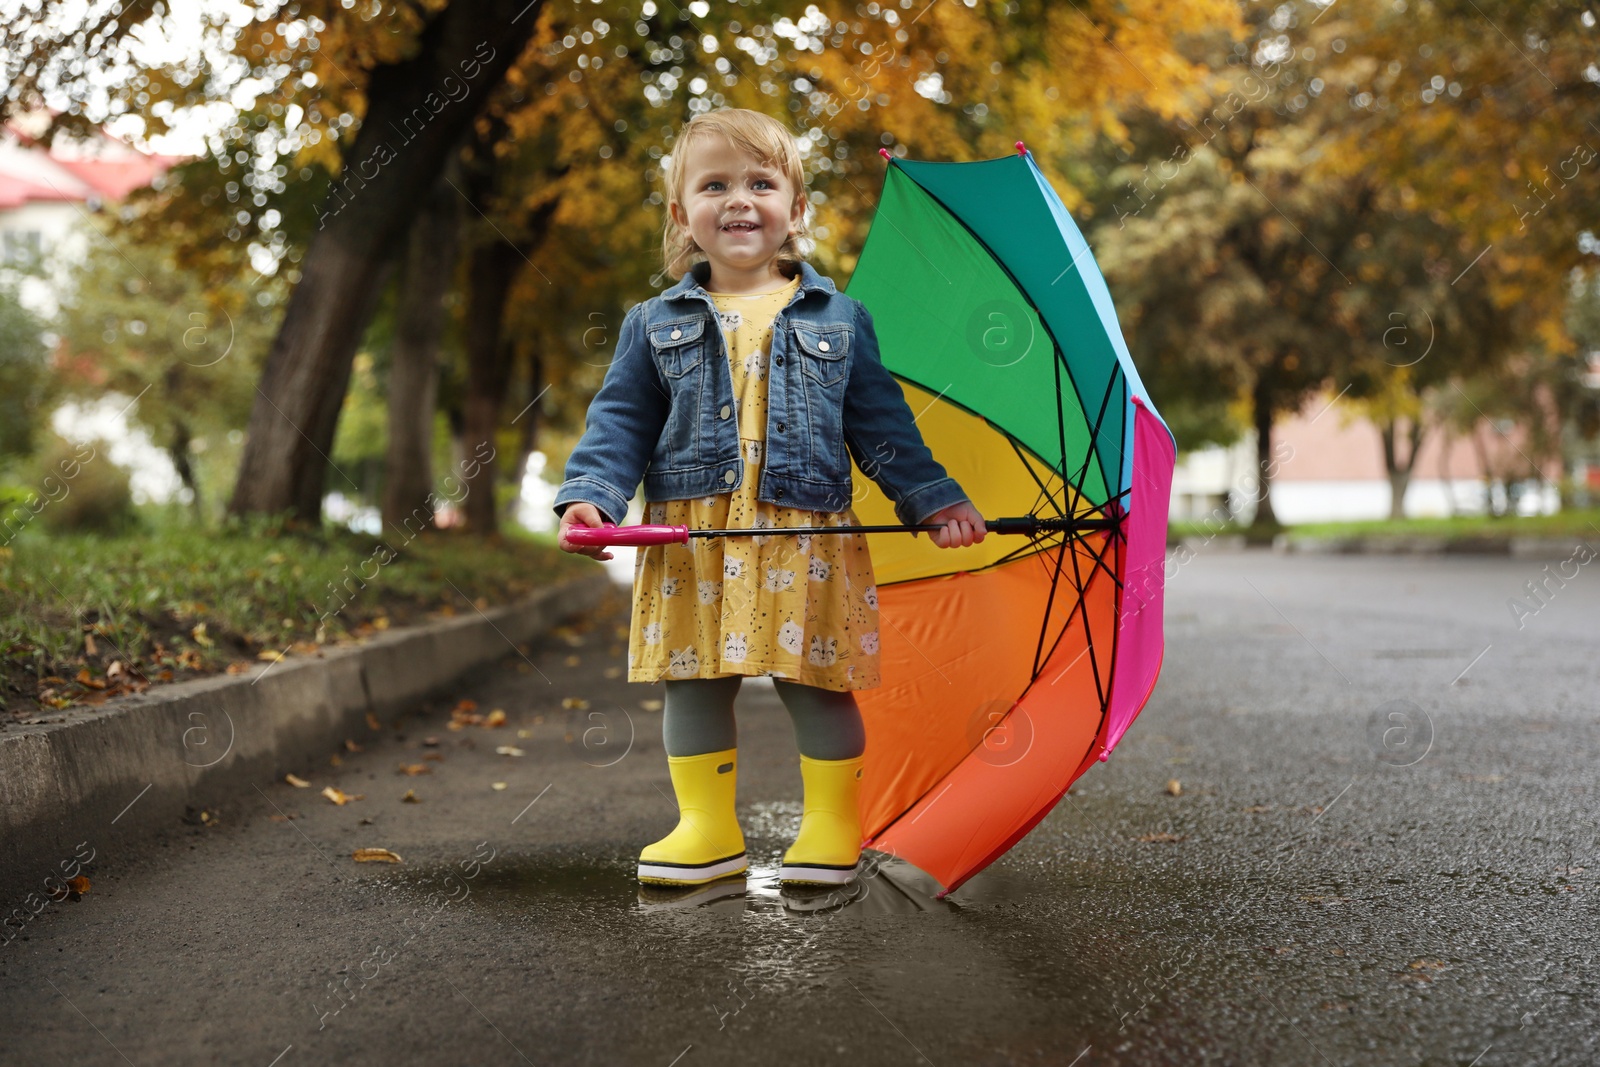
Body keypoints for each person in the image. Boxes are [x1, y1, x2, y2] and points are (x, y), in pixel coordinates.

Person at [553, 107, 985, 890]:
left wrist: (932, 500)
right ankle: (707, 827)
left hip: (805, 535)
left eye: (761, 182)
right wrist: (593, 496)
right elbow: (621, 418)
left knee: (815, 677)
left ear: (797, 208)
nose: (739, 200)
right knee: (694, 678)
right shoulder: (653, 323)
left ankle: (829, 826)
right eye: (714, 185)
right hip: (696, 535)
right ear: (684, 215)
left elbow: (881, 429)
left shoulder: (841, 321)